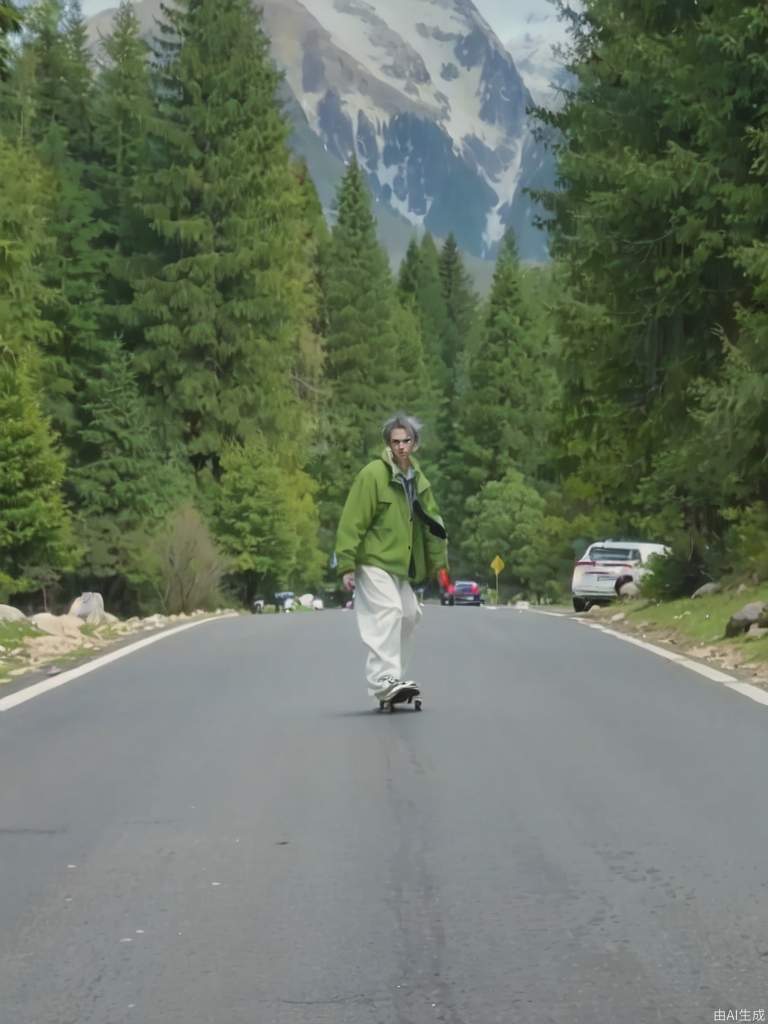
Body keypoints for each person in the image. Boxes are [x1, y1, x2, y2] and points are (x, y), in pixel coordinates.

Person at [334, 413, 449, 705]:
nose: (401, 447)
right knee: (389, 611)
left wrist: (439, 567)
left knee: (410, 614)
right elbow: (352, 520)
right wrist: (346, 563)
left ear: (415, 443)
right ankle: (381, 679)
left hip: (400, 566)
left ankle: (393, 678)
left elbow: (433, 526)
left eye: (406, 441)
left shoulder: (419, 481)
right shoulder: (373, 475)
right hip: (373, 560)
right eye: (395, 441)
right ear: (388, 443)